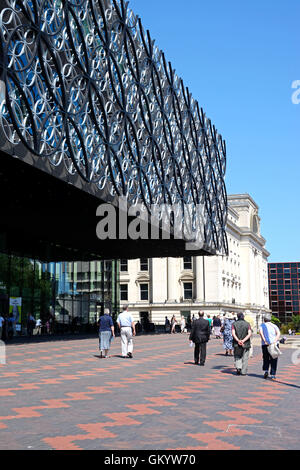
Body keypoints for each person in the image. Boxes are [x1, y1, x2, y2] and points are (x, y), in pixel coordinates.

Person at [259, 313, 281, 380]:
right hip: (274, 344)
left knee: (265, 358)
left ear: (264, 319)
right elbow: (278, 333)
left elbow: (261, 333)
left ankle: (266, 370)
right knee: (274, 358)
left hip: (265, 344)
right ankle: (273, 374)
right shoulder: (274, 325)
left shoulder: (262, 325)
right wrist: (275, 340)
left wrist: (264, 340)